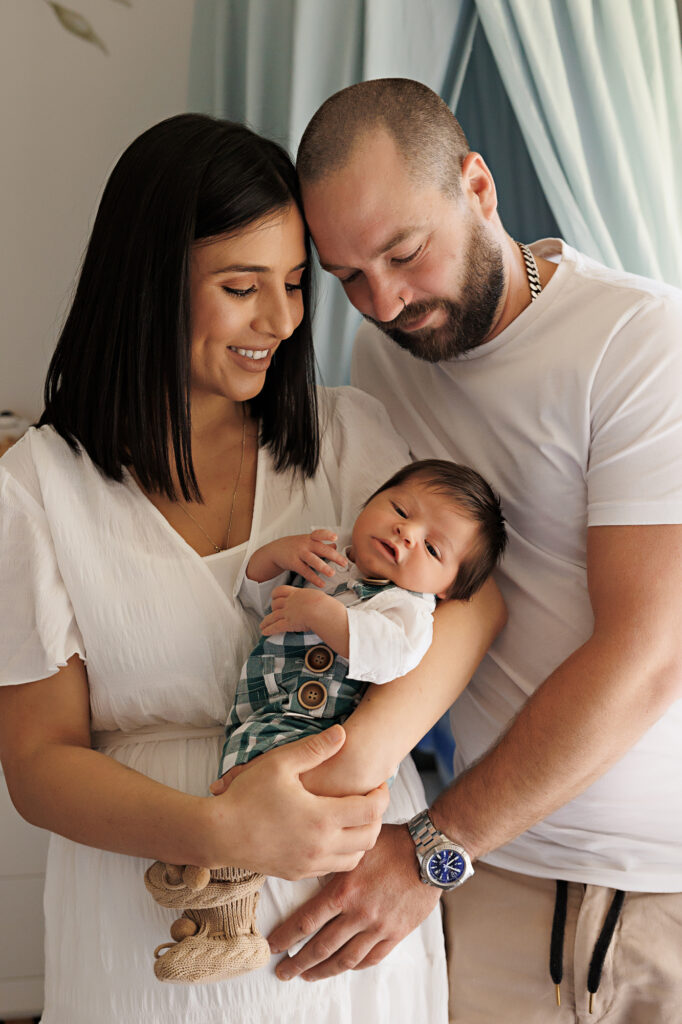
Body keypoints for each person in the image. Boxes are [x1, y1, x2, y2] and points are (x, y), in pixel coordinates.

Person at [0, 112, 506, 1024]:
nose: (279, 321)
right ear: (151, 286)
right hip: (145, 929)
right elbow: (38, 763)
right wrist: (221, 829)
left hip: (345, 919)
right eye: (241, 287)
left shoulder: (350, 439)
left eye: (292, 283)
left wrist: (351, 773)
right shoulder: (38, 488)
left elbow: (471, 608)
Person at [264, 79, 682, 1024]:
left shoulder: (638, 341)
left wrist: (430, 850)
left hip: (661, 890)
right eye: (349, 279)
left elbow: (649, 656)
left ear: (478, 187)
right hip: (495, 882)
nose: (387, 301)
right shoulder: (387, 361)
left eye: (405, 253)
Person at [143, 458, 507, 984]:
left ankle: (225, 930)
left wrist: (320, 613)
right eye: (400, 510)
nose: (407, 533)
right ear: (371, 502)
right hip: (264, 713)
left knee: (260, 819)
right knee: (236, 798)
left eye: (432, 548)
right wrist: (275, 557)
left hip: (316, 733)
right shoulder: (331, 554)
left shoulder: (410, 610)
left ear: (447, 589)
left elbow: (389, 657)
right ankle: (202, 886)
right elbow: (249, 600)